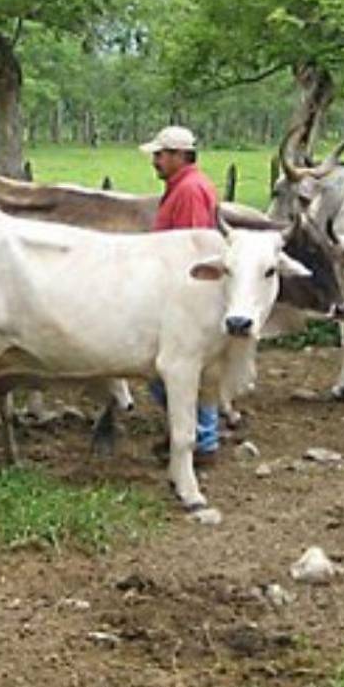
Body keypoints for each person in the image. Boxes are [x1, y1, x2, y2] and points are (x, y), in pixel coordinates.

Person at [140, 125, 222, 458]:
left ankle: (202, 439)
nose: (155, 161)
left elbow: (190, 248)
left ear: (180, 156)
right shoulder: (184, 186)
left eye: (161, 155)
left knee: (175, 370)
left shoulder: (188, 191)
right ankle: (194, 433)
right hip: (178, 290)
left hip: (184, 294)